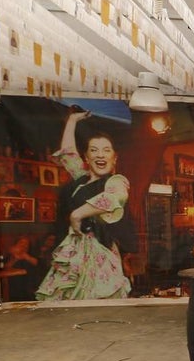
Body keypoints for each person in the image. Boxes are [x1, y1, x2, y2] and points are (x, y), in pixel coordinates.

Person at [36, 109, 134, 300]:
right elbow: (68, 153)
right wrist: (72, 120)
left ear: (114, 158)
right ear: (86, 158)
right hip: (73, 251)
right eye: (94, 150)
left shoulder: (116, 181)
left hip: (100, 254)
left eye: (106, 150)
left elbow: (116, 197)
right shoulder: (80, 180)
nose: (100, 155)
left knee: (96, 306)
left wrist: (77, 214)